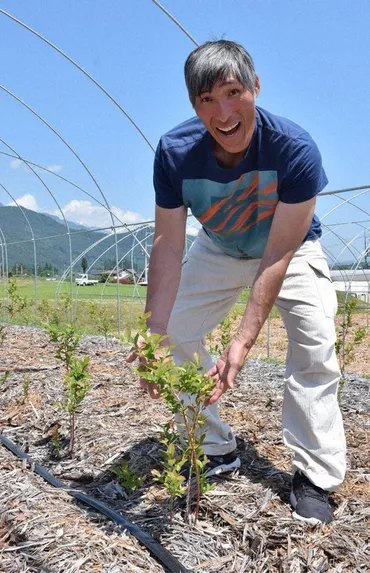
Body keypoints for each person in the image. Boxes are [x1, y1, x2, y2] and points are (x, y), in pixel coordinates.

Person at [128, 40, 346, 525]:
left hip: (288, 247)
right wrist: (154, 330)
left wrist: (244, 339)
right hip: (221, 245)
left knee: (314, 345)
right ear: (193, 105)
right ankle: (214, 446)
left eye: (232, 93)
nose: (223, 114)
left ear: (255, 88)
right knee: (176, 329)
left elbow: (280, 252)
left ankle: (316, 474)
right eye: (206, 100)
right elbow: (166, 245)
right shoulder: (175, 152)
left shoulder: (294, 149)